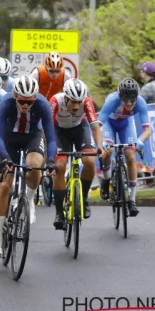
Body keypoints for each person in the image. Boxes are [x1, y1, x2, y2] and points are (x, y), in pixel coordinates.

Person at [0, 75, 57, 257]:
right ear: (15, 96)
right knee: (4, 185)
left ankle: (29, 199)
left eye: (29, 102)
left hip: (32, 137)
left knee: (34, 166)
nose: (26, 106)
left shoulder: (42, 104)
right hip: (9, 139)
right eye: (22, 101)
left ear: (35, 98)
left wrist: (51, 160)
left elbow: (51, 137)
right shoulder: (6, 102)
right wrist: (4, 157)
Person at [48, 79, 104, 228]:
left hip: (80, 129)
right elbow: (45, 127)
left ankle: (83, 198)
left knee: (89, 161)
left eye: (79, 102)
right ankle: (59, 213)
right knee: (59, 165)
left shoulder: (86, 102)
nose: (77, 106)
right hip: (59, 131)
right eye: (73, 102)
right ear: (65, 97)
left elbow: (95, 127)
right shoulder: (55, 101)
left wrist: (99, 147)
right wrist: (52, 147)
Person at [97, 78, 151, 217]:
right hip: (109, 124)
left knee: (130, 155)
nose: (129, 104)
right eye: (125, 100)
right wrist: (101, 143)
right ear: (120, 97)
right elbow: (98, 125)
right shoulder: (112, 101)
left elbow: (147, 130)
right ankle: (106, 178)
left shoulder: (140, 103)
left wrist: (140, 140)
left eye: (132, 101)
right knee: (108, 150)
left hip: (126, 125)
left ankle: (132, 200)